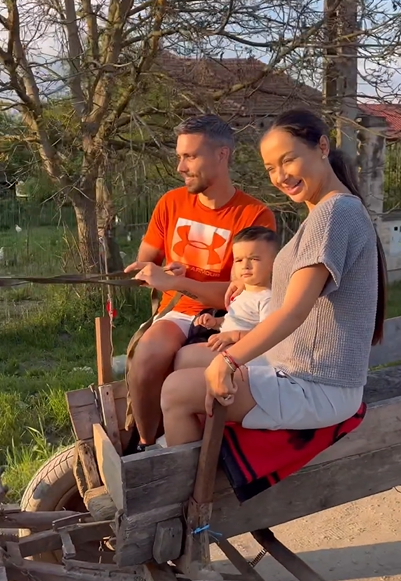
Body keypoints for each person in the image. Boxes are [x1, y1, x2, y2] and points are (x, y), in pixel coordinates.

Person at [160, 108, 387, 447]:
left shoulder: (334, 214)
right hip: (297, 364)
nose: (280, 176)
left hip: (318, 384)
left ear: (322, 147)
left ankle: (198, 480)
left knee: (175, 391)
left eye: (288, 160)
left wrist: (229, 360)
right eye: (270, 168)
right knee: (188, 359)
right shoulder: (326, 211)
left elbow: (294, 311)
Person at [124, 114, 276, 448]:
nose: (180, 167)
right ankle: (146, 445)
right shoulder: (171, 203)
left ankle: (194, 436)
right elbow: (146, 260)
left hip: (234, 317)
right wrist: (154, 272)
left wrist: (176, 284)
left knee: (186, 365)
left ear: (222, 155)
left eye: (190, 156)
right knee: (146, 356)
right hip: (178, 313)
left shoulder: (254, 216)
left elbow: (241, 293)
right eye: (179, 156)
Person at [174, 225, 279, 370]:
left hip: (250, 356)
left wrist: (233, 336)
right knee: (185, 355)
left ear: (274, 264)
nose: (245, 265)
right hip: (232, 346)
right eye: (239, 260)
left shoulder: (267, 298)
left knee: (185, 357)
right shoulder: (243, 293)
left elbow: (267, 335)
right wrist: (216, 322)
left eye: (254, 259)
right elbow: (236, 321)